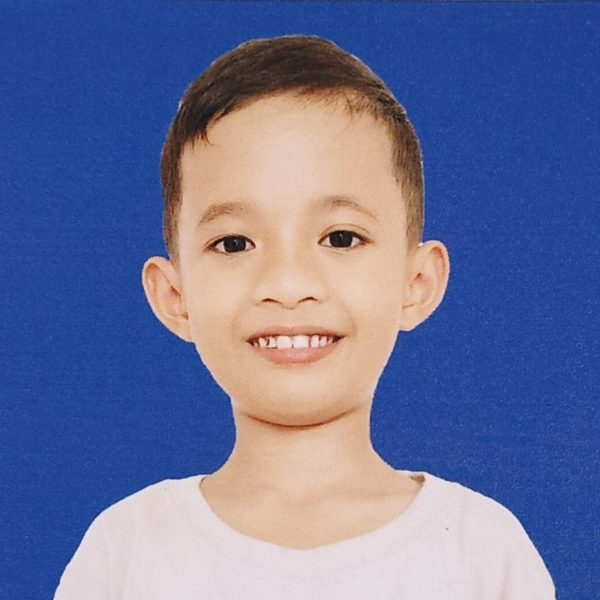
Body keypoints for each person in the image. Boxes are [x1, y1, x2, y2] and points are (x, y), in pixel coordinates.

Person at [55, 35, 555, 599]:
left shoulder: (482, 552)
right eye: (234, 243)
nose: (288, 285)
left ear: (416, 284)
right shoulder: (126, 552)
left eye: (341, 238)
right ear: (175, 296)